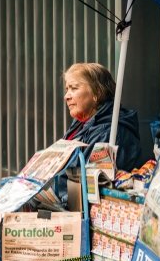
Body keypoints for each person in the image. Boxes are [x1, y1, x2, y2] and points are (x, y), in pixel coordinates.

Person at [56, 63, 141, 207]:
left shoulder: (110, 131)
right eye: (67, 89)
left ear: (97, 94)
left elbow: (89, 190)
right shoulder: (81, 122)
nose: (66, 96)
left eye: (74, 88)